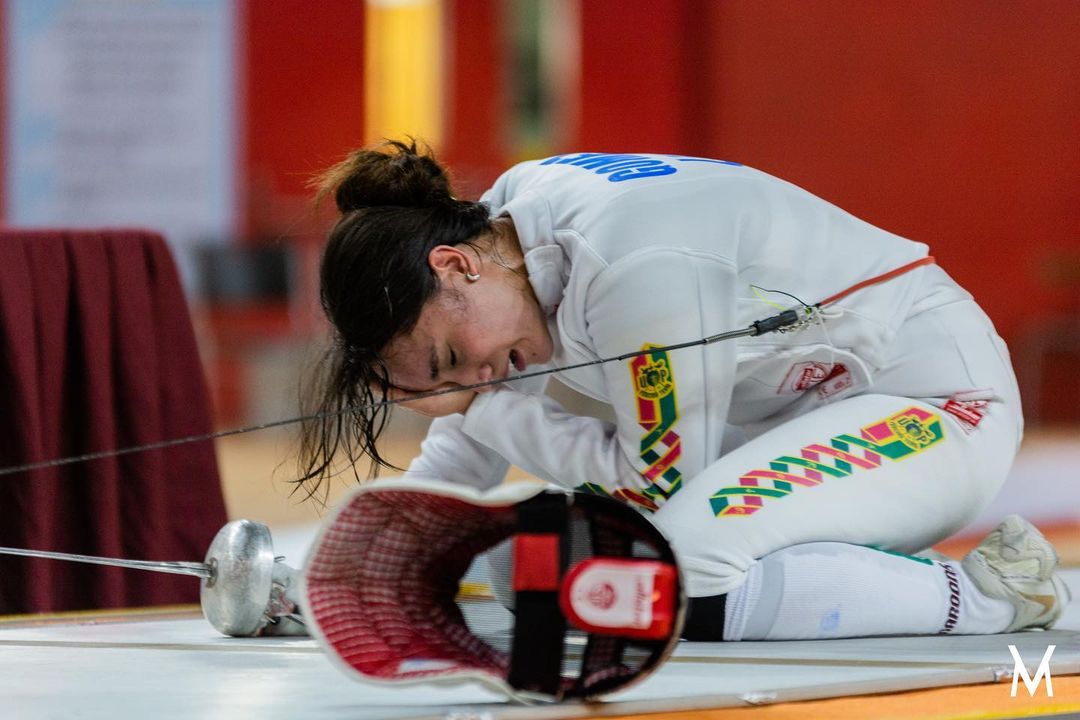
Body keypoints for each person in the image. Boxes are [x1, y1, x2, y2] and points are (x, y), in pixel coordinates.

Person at [298, 140, 1070, 641]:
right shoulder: (509, 235)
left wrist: (486, 405)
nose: (474, 377)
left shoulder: (634, 267)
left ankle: (991, 598)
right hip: (789, 420)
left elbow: (658, 487)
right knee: (526, 563)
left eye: (453, 357)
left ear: (453, 268)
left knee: (678, 571)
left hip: (936, 406)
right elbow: (468, 444)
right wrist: (353, 569)